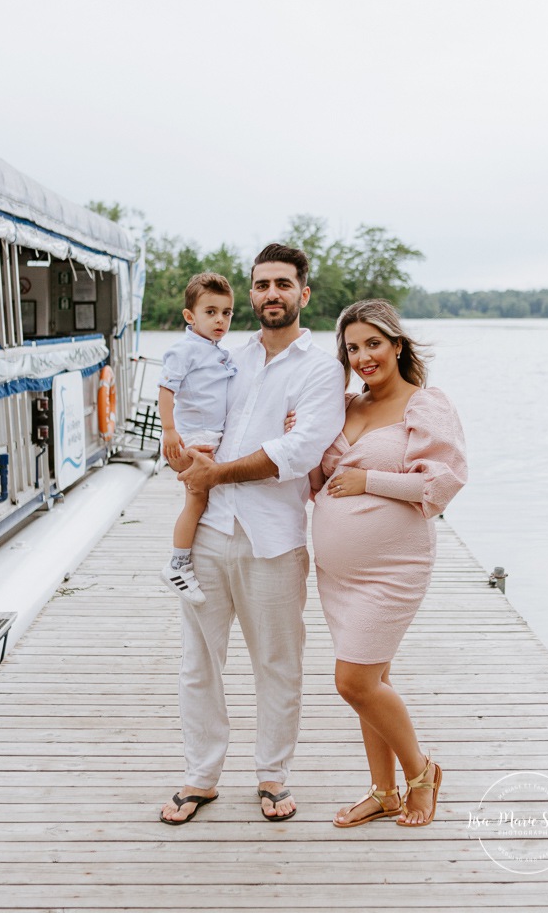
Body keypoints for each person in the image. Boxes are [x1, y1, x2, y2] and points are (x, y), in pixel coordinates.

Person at [159, 243, 345, 825]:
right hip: (210, 527)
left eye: (282, 284)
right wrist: (184, 454)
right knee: (199, 663)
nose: (271, 294)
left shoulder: (321, 369)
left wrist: (224, 467)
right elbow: (193, 416)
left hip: (273, 537)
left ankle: (272, 775)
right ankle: (201, 777)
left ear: (303, 294)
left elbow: (299, 450)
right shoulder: (228, 358)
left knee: (277, 662)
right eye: (261, 285)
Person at [310, 299, 467, 828]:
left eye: (373, 344)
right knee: (372, 684)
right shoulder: (345, 407)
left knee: (354, 682)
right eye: (352, 348)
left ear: (397, 345)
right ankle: (383, 792)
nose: (363, 357)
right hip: (338, 574)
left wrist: (368, 480)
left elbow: (443, 484)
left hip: (392, 569)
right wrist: (300, 432)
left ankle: (422, 774)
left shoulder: (424, 405)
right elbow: (316, 481)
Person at [158, 272, 237, 606]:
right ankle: (177, 564)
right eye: (210, 312)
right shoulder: (184, 350)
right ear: (190, 316)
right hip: (196, 436)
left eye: (227, 312)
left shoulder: (216, 350)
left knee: (204, 500)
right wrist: (170, 430)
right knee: (196, 500)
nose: (220, 319)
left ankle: (190, 559)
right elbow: (166, 389)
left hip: (212, 433)